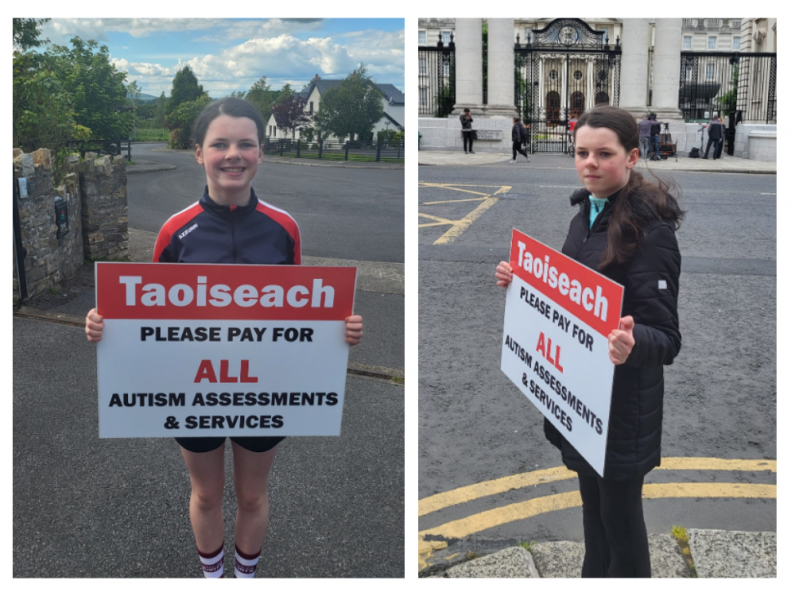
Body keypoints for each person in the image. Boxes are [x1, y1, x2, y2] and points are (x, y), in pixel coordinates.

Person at [84, 97, 364, 578]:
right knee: (207, 493)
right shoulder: (175, 231)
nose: (233, 153)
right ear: (199, 153)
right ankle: (214, 578)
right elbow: (147, 320)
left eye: (245, 144)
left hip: (264, 387)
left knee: (253, 494)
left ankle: (245, 578)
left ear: (261, 153)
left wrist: (338, 330)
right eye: (220, 143)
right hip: (194, 388)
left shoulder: (284, 229)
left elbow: (300, 316)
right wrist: (105, 326)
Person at [495, 105, 683, 577]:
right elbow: (565, 298)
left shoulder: (650, 231)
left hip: (622, 408)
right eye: (582, 153)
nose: (590, 163)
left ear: (633, 156)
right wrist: (521, 282)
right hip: (580, 401)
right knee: (593, 519)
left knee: (621, 527)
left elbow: (666, 337)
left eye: (604, 153)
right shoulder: (585, 215)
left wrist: (630, 341)